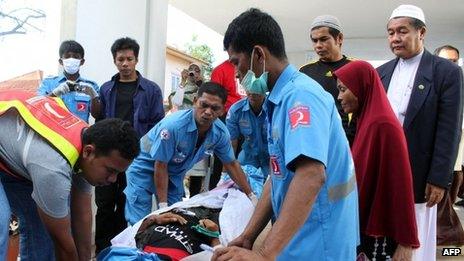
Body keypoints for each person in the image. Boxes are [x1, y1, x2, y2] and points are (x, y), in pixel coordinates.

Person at [213, 8, 359, 260]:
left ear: (259, 54)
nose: (236, 73)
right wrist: (249, 236)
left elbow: (311, 175)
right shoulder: (280, 100)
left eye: (237, 62)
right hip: (302, 235)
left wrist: (264, 254)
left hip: (319, 241)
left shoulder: (300, 97)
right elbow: (278, 174)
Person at [0, 91, 140, 261]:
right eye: (111, 171)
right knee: (1, 220)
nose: (113, 180)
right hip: (23, 151)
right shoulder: (53, 167)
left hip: (15, 152)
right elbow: (64, 244)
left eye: (118, 173)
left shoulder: (89, 144)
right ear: (89, 152)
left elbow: (81, 215)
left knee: (43, 225)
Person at [377, 5, 463, 260]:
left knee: (416, 239)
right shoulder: (381, 73)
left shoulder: (446, 72)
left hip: (420, 173)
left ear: (421, 32)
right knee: (385, 235)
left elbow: (449, 129)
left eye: (402, 31)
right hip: (385, 169)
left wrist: (439, 178)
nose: (395, 38)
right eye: (391, 33)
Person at [124, 82, 255, 225]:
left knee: (177, 220)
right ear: (194, 102)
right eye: (204, 105)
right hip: (144, 170)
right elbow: (161, 164)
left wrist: (251, 196)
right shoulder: (173, 126)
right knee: (141, 222)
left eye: (214, 108)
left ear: (222, 110)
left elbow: (231, 164)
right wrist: (163, 207)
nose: (208, 112)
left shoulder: (220, 133)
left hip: (173, 175)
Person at [334, 60, 419, 260]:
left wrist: (406, 241)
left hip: (380, 233)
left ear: (360, 86)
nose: (339, 97)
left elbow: (401, 185)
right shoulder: (366, 121)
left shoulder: (383, 125)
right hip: (364, 225)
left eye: (343, 89)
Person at [93, 37, 165, 253]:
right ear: (114, 61)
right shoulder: (106, 89)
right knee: (105, 204)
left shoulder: (151, 90)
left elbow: (157, 124)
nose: (125, 63)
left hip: (137, 157)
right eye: (120, 59)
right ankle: (104, 251)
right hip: (108, 155)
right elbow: (100, 121)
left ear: (136, 60)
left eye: (129, 59)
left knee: (128, 203)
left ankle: (124, 249)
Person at [299, 15, 356, 145]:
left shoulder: (356, 68)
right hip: (316, 142)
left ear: (339, 38)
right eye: (315, 41)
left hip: (350, 142)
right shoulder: (305, 71)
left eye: (324, 39)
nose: (318, 45)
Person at [433, 44, 464, 246]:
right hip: (436, 154)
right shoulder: (430, 84)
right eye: (446, 61)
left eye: (454, 61)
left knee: (447, 202)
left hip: (456, 151)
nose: (451, 65)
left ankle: (450, 249)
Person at [169, 63, 208, 197]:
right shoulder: (182, 88)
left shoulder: (203, 88)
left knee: (196, 173)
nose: (193, 72)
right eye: (191, 70)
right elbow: (177, 102)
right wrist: (183, 81)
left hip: (199, 133)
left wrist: (200, 82)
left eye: (197, 70)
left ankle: (194, 201)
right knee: (178, 169)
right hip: (182, 133)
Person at [37, 40, 99, 122]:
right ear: (61, 61)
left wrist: (93, 96)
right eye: (67, 56)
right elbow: (38, 107)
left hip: (79, 133)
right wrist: (54, 94)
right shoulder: (49, 83)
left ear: (82, 62)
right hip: (53, 132)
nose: (71, 59)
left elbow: (97, 115)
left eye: (76, 57)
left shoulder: (91, 86)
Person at [209, 55, 246, 191]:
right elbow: (213, 97)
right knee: (222, 159)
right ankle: (215, 195)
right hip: (225, 118)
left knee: (242, 160)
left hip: (247, 117)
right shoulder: (220, 70)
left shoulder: (248, 67)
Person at [133, 207, 221, 260]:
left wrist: (154, 219)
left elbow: (137, 235)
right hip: (208, 222)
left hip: (176, 211)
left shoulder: (138, 252)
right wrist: (214, 236)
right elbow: (221, 256)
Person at [226, 89, 269, 180]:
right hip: (249, 154)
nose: (253, 93)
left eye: (257, 88)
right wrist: (226, 173)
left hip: (272, 156)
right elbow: (231, 144)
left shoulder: (275, 107)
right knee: (237, 182)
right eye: (250, 87)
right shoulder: (236, 110)